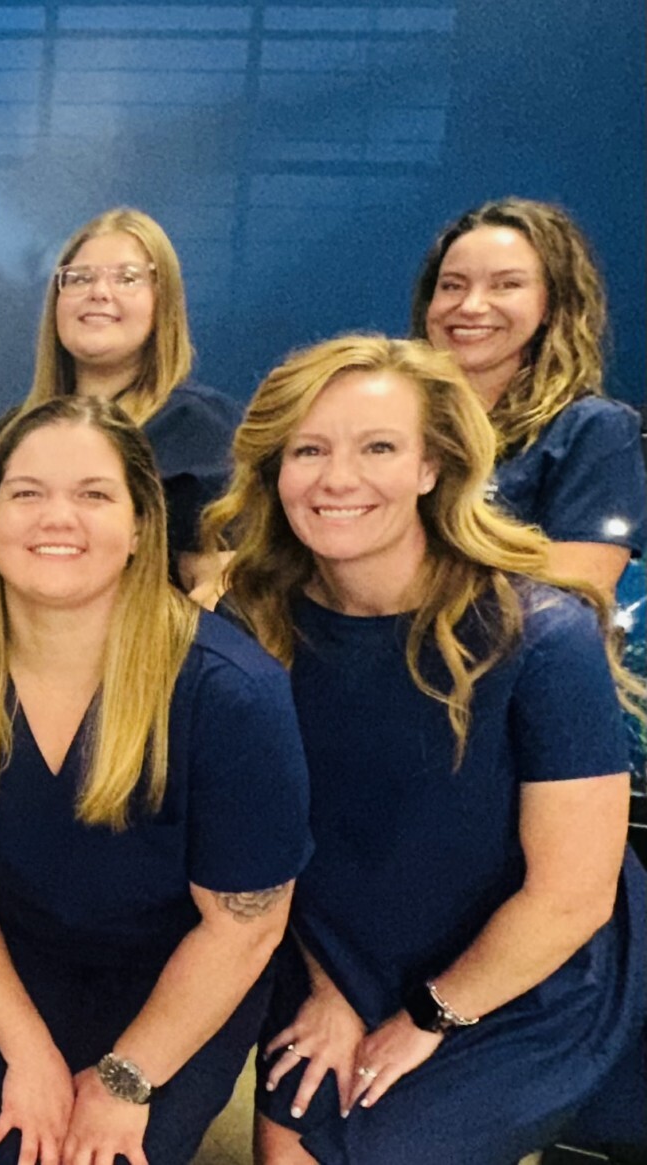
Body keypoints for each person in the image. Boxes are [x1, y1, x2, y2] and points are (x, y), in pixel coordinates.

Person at [203, 335, 645, 1164]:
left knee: (376, 1145)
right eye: (309, 449)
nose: (338, 478)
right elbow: (249, 850)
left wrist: (431, 1016)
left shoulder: (540, 636)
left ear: (432, 466)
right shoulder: (249, 629)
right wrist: (327, 987)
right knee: (290, 1146)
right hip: (331, 944)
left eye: (378, 447)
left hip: (524, 970)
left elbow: (572, 895)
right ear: (273, 470)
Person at [0, 395, 310, 1165]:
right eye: (27, 493)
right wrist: (25, 1049)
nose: (59, 517)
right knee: (15, 1145)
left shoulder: (228, 691)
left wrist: (124, 1079)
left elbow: (244, 925)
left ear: (142, 525)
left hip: (182, 978)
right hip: (9, 966)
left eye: (93, 494)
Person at [0, 208, 240, 596]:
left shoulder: (202, 429)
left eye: (128, 278)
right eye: (80, 278)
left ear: (163, 301)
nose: (99, 292)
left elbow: (221, 583)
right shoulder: (10, 431)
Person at [410, 198, 646, 593]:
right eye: (452, 285)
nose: (470, 306)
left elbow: (576, 590)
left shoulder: (592, 429)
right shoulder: (387, 416)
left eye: (507, 285)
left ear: (553, 304)